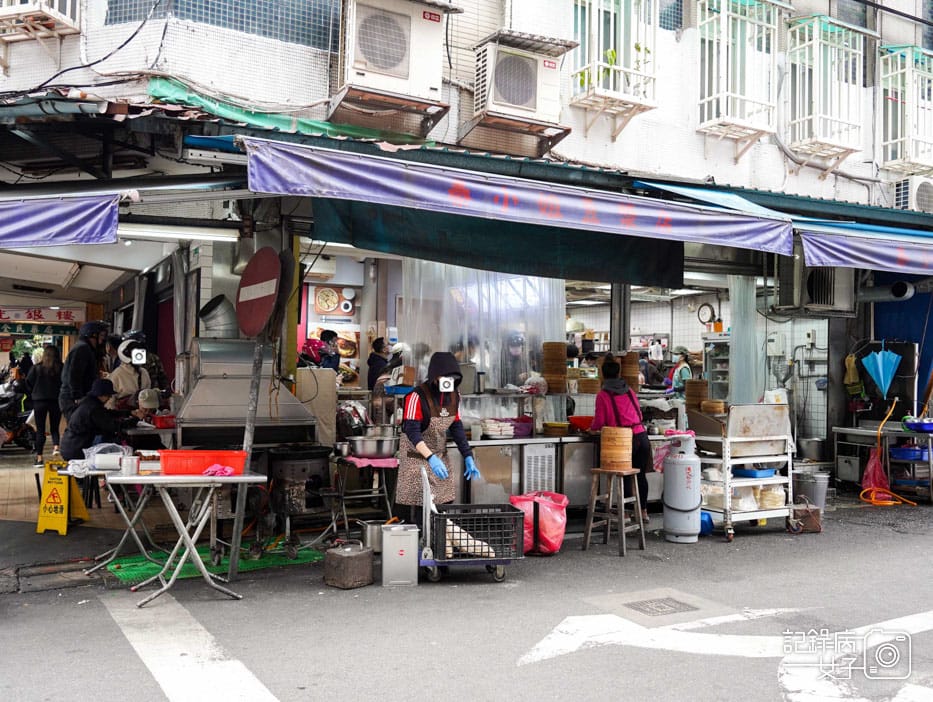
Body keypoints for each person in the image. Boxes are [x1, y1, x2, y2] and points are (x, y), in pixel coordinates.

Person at [396, 352, 480, 526]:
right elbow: (412, 431)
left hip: (439, 456)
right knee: (422, 503)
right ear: (435, 376)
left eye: (453, 378)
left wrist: (468, 455)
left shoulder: (455, 396)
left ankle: (439, 538)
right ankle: (421, 537)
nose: (449, 381)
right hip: (415, 458)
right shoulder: (416, 396)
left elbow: (456, 427)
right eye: (445, 377)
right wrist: (430, 457)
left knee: (443, 502)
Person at [590, 355, 651, 524]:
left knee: (624, 477)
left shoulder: (603, 395)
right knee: (640, 475)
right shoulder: (629, 391)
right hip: (642, 437)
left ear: (603, 375)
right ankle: (643, 512)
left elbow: (599, 421)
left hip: (625, 440)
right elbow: (639, 414)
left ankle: (625, 514)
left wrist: (592, 428)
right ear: (619, 374)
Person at [59, 379, 148, 461]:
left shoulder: (88, 403)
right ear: (101, 394)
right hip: (76, 449)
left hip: (70, 445)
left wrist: (129, 413)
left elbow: (107, 413)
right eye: (108, 395)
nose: (110, 398)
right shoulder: (93, 409)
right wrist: (136, 419)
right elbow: (115, 426)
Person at [60, 320, 107, 419]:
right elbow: (74, 375)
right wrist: (77, 397)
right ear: (93, 335)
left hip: (75, 397)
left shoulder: (84, 348)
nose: (102, 340)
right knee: (78, 426)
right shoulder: (82, 348)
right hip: (74, 399)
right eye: (101, 335)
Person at [25, 345, 63, 467]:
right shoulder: (61, 368)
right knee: (54, 428)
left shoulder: (36, 368)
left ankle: (39, 458)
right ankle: (56, 447)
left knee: (40, 430)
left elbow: (28, 383)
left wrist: (34, 392)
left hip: (39, 401)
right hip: (56, 400)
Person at [106, 338, 152, 410]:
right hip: (131, 413)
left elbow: (109, 402)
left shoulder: (116, 374)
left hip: (131, 413)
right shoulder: (144, 372)